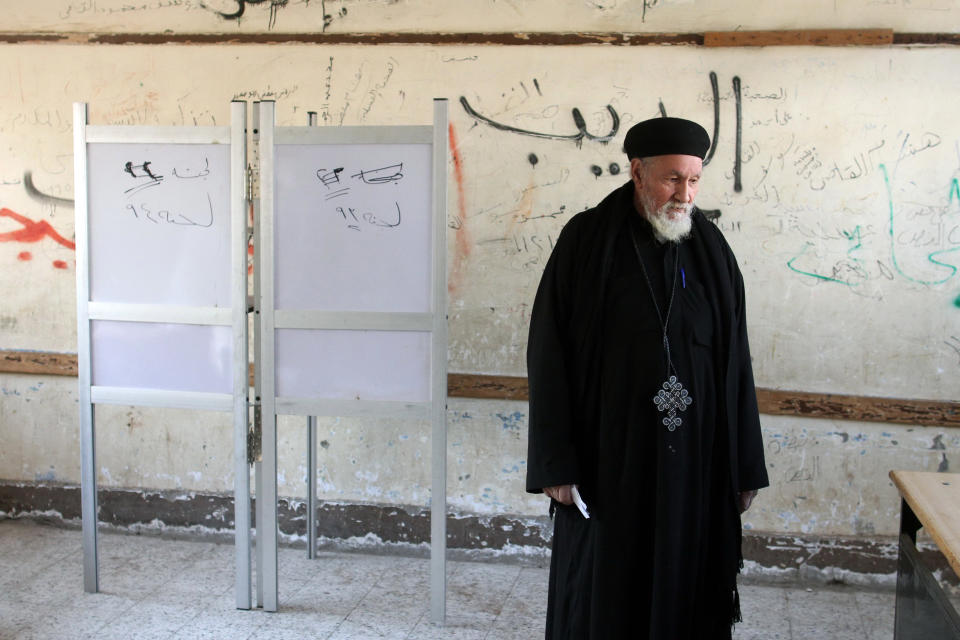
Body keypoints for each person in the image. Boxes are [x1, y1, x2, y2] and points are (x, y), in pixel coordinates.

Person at [525, 116, 769, 639]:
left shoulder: (711, 250)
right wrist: (555, 462)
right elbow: (548, 355)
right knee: (604, 594)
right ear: (637, 172)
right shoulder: (586, 242)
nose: (685, 193)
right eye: (672, 179)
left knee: (688, 591)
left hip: (695, 466)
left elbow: (737, 362)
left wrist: (744, 465)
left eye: (694, 180)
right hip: (608, 461)